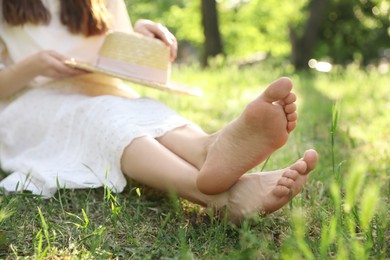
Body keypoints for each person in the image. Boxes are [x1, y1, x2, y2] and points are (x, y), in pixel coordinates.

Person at [0, 0, 318, 224]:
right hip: (29, 102)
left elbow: (117, 57)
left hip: (103, 91)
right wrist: (33, 66)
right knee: (102, 118)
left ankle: (207, 150)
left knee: (145, 109)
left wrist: (141, 37)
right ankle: (220, 199)